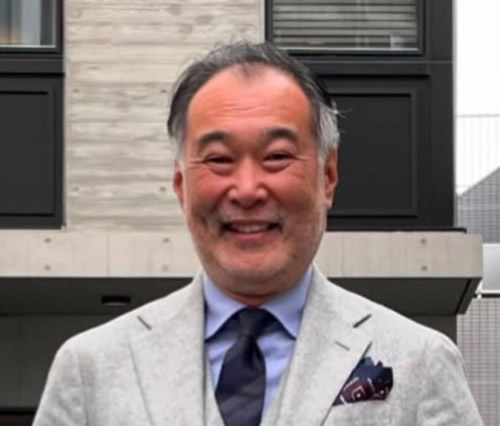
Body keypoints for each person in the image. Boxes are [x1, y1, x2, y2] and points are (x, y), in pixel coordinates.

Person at [34, 42, 483, 426]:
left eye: (276, 156)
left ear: (327, 176)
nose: (247, 190)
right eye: (218, 159)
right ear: (180, 185)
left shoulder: (418, 360)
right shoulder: (91, 368)